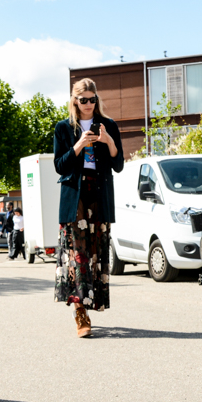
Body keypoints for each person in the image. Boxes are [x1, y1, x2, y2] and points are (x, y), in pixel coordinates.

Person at [53, 78, 124, 337]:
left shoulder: (109, 125)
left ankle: (90, 303)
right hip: (76, 197)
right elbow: (60, 166)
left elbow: (118, 165)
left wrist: (108, 141)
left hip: (99, 194)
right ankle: (80, 312)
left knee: (96, 253)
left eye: (92, 99)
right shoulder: (64, 128)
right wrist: (80, 144)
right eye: (83, 100)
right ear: (75, 101)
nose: (88, 104)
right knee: (78, 255)